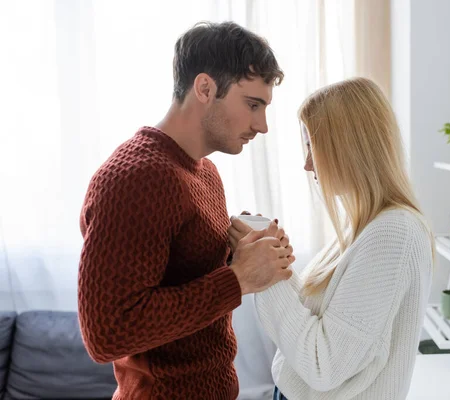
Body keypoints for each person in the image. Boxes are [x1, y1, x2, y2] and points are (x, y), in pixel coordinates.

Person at [78, 21, 294, 400]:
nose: (261, 126)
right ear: (205, 88)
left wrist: (241, 251)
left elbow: (179, 274)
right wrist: (238, 279)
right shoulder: (135, 177)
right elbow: (107, 334)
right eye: (253, 105)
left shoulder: (204, 172)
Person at [229, 77, 435, 400]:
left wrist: (268, 275)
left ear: (348, 147)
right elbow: (324, 325)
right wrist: (275, 263)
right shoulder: (366, 226)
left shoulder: (393, 234)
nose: (307, 163)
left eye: (313, 145)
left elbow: (323, 365)